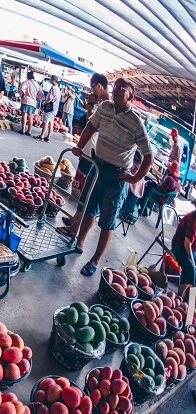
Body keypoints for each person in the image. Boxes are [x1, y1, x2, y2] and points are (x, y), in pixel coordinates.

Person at [68, 78, 154, 276]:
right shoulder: (105, 107)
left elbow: (149, 156)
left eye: (122, 89)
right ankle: (79, 243)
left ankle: (95, 260)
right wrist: (79, 146)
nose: (116, 91)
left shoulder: (136, 123)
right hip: (97, 166)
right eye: (115, 88)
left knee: (107, 221)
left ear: (131, 96)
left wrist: (133, 178)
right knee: (88, 209)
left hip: (116, 178)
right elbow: (90, 127)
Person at [61, 73, 111, 231]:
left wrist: (90, 106)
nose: (92, 92)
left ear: (99, 86)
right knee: (85, 193)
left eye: (93, 87)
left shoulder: (107, 105)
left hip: (94, 151)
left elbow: (92, 124)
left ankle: (75, 226)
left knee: (87, 193)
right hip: (90, 149)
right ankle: (75, 220)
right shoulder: (102, 103)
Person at [171, 208, 196, 299]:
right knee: (191, 269)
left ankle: (189, 297)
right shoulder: (193, 220)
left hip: (192, 249)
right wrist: (193, 263)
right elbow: (187, 245)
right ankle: (180, 296)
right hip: (179, 247)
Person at [18, 71, 43, 136]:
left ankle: (23, 129)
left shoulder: (26, 82)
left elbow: (22, 89)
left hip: (26, 100)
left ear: (27, 76)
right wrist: (36, 98)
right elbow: (41, 94)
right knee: (31, 116)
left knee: (24, 115)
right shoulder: (37, 84)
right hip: (33, 102)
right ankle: (29, 131)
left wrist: (23, 96)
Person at [37, 75, 61, 142]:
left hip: (50, 107)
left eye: (51, 79)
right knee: (51, 122)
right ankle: (48, 137)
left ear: (53, 80)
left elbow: (50, 98)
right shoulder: (58, 89)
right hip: (54, 108)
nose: (50, 80)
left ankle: (41, 136)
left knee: (45, 122)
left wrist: (44, 103)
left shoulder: (53, 88)